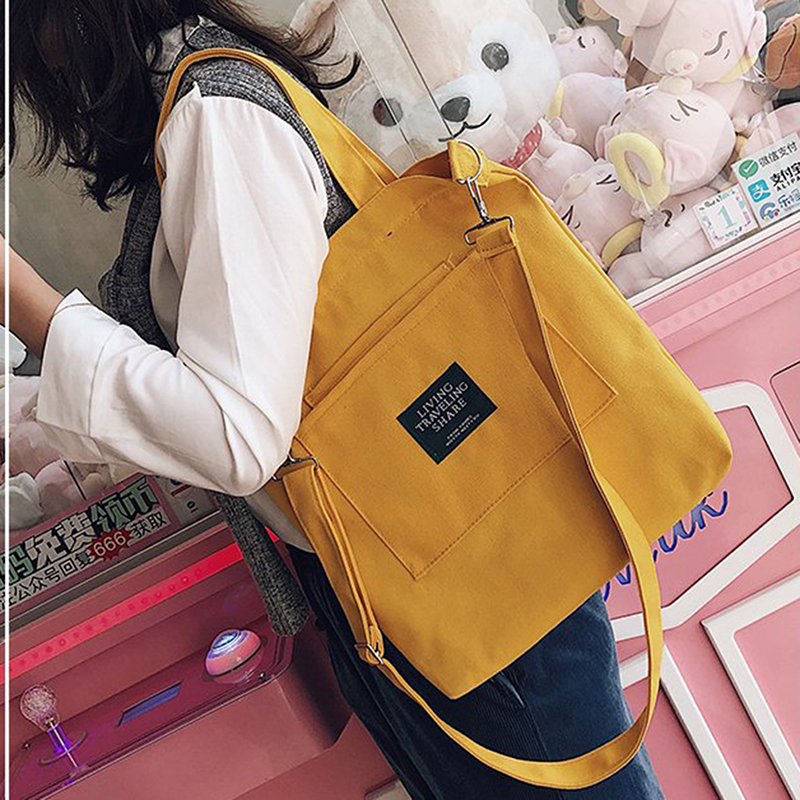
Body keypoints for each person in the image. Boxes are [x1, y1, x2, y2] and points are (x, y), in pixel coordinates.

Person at [6, 3, 665, 798]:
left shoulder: (216, 111)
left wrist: (21, 296)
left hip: (449, 562)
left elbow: (236, 434)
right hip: (419, 552)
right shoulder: (206, 95)